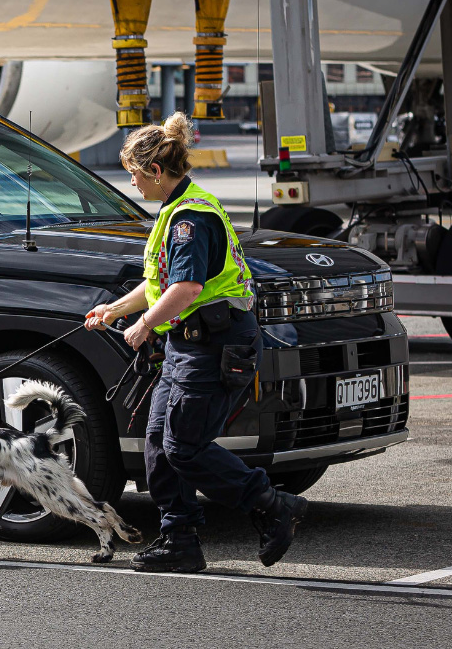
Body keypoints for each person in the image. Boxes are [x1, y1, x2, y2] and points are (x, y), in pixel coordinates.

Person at [85, 112, 306, 573]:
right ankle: (179, 539)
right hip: (191, 345)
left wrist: (144, 325)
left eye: (133, 175)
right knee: (159, 443)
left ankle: (270, 504)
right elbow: (162, 284)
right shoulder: (176, 210)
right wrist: (114, 311)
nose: (132, 185)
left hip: (216, 345)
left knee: (185, 447)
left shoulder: (190, 218)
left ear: (155, 172)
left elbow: (184, 290)